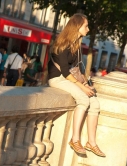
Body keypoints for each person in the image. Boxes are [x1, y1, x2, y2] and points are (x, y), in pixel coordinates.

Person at [48, 13, 105, 157]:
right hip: (58, 78)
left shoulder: (76, 45)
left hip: (69, 79)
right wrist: (82, 87)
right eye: (86, 26)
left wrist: (85, 83)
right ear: (77, 26)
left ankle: (91, 143)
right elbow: (66, 72)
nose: (88, 29)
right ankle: (75, 140)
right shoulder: (62, 44)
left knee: (95, 104)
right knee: (84, 99)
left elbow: (76, 70)